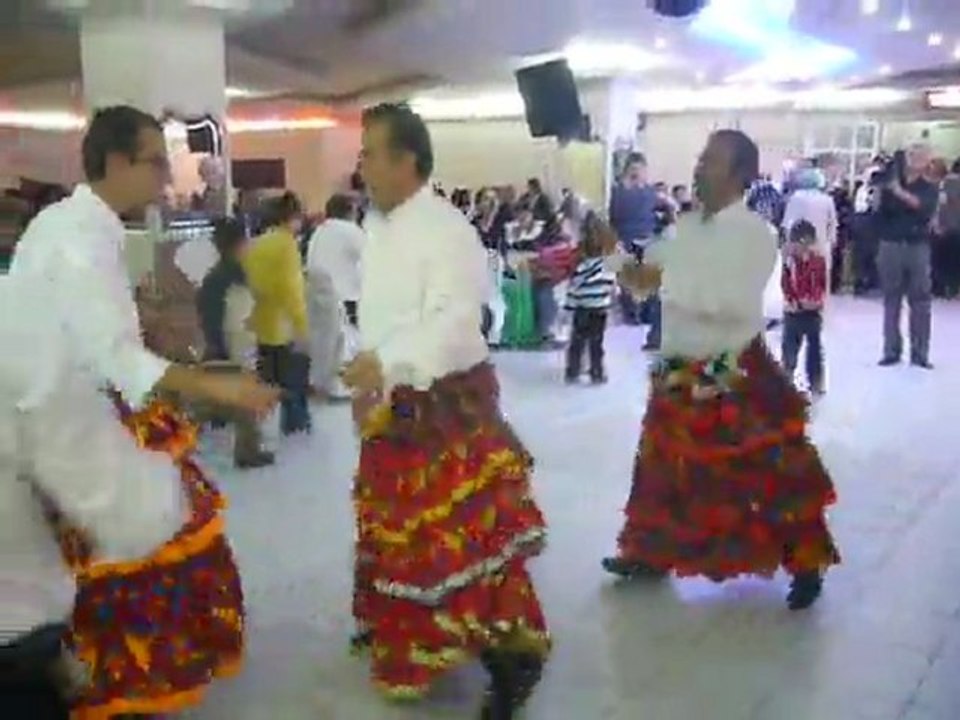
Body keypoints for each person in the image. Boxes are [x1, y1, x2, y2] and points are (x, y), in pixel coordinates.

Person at [5, 105, 278, 718]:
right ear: (117, 161)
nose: (165, 176)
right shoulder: (77, 237)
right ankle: (117, 681)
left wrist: (146, 325)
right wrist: (221, 387)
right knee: (144, 546)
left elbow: (100, 333)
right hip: (66, 420)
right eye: (156, 161)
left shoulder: (85, 225)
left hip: (67, 411)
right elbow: (108, 356)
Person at [343, 103, 549, 719]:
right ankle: (414, 635)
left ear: (408, 160)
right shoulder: (378, 224)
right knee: (400, 532)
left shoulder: (446, 229)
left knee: (463, 538)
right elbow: (378, 316)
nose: (362, 165)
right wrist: (368, 377)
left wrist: (389, 366)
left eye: (370, 152)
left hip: (447, 404)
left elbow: (457, 325)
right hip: (394, 403)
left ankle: (512, 658)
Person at [601, 129, 840, 611]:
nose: (698, 168)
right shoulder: (685, 227)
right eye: (701, 158)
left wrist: (669, 284)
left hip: (733, 369)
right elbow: (646, 282)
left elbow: (729, 304)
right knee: (661, 470)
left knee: (768, 473)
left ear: (741, 176)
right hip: (678, 369)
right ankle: (648, 553)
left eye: (710, 161)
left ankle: (804, 563)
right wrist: (614, 255)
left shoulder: (756, 234)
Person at [196, 217, 276, 468]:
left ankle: (248, 448)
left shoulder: (220, 275)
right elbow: (220, 316)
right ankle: (247, 450)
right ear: (238, 243)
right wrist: (217, 345)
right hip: (234, 343)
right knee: (229, 397)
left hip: (235, 341)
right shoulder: (228, 276)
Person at [244, 191, 313, 432]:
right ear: (290, 217)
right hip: (283, 325)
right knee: (293, 380)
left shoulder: (257, 242)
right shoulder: (286, 244)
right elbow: (291, 290)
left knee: (270, 378)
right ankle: (295, 425)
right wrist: (302, 327)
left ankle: (264, 429)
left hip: (261, 322)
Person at [875, 144, 939, 369]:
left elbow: (923, 208)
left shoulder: (930, 188)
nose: (916, 159)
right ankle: (891, 350)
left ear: (928, 162)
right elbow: (879, 213)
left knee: (920, 301)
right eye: (912, 155)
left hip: (917, 247)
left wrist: (898, 192)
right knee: (891, 300)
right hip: (891, 245)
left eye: (921, 155)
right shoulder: (890, 184)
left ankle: (920, 353)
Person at [306, 193, 366, 401]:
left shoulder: (320, 230)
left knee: (322, 340)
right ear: (349, 210)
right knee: (340, 341)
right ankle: (336, 387)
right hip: (339, 293)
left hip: (314, 291)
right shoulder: (349, 230)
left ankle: (319, 383)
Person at [564, 213, 616, 384]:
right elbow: (611, 285)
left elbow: (573, 288)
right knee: (596, 344)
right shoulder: (608, 264)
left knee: (577, 342)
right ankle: (596, 372)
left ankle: (573, 371)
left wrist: (569, 307)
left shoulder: (579, 264)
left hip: (581, 307)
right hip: (600, 307)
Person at [609, 152, 658, 325]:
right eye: (634, 169)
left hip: (646, 237)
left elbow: (656, 211)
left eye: (641, 168)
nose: (638, 172)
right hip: (625, 237)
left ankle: (646, 313)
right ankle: (631, 314)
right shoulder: (616, 191)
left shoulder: (650, 191)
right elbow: (613, 215)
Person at [781, 220, 828, 395]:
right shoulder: (789, 263)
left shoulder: (818, 262)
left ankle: (816, 380)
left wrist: (816, 300)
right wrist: (793, 301)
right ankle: (786, 377)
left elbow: (821, 285)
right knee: (790, 346)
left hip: (812, 311)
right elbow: (786, 284)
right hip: (793, 312)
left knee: (814, 347)